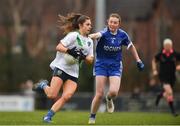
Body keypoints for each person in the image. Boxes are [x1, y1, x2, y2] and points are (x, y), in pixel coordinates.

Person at [32, 13, 94, 123]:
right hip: (62, 67)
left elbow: (90, 59)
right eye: (87, 24)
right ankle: (43, 84)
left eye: (90, 25)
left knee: (67, 96)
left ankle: (48, 117)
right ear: (80, 25)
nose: (90, 26)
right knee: (52, 95)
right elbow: (58, 47)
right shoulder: (73, 35)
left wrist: (82, 56)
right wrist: (70, 51)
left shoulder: (90, 41)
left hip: (74, 72)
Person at [88, 13, 144, 124]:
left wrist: (138, 60)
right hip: (101, 65)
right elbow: (97, 35)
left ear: (119, 24)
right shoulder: (104, 32)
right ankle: (92, 117)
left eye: (115, 22)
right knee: (99, 94)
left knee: (113, 92)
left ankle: (109, 99)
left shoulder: (123, 35)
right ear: (107, 22)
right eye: (111, 22)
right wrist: (88, 36)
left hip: (115, 66)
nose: (113, 24)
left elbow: (131, 47)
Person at [152, 38, 180, 117]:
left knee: (168, 93)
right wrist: (154, 70)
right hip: (163, 77)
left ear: (171, 46)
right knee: (170, 92)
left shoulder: (175, 54)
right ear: (164, 46)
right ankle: (173, 111)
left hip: (172, 77)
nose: (167, 47)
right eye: (166, 45)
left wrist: (179, 66)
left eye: (169, 45)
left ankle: (160, 95)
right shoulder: (160, 55)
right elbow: (154, 60)